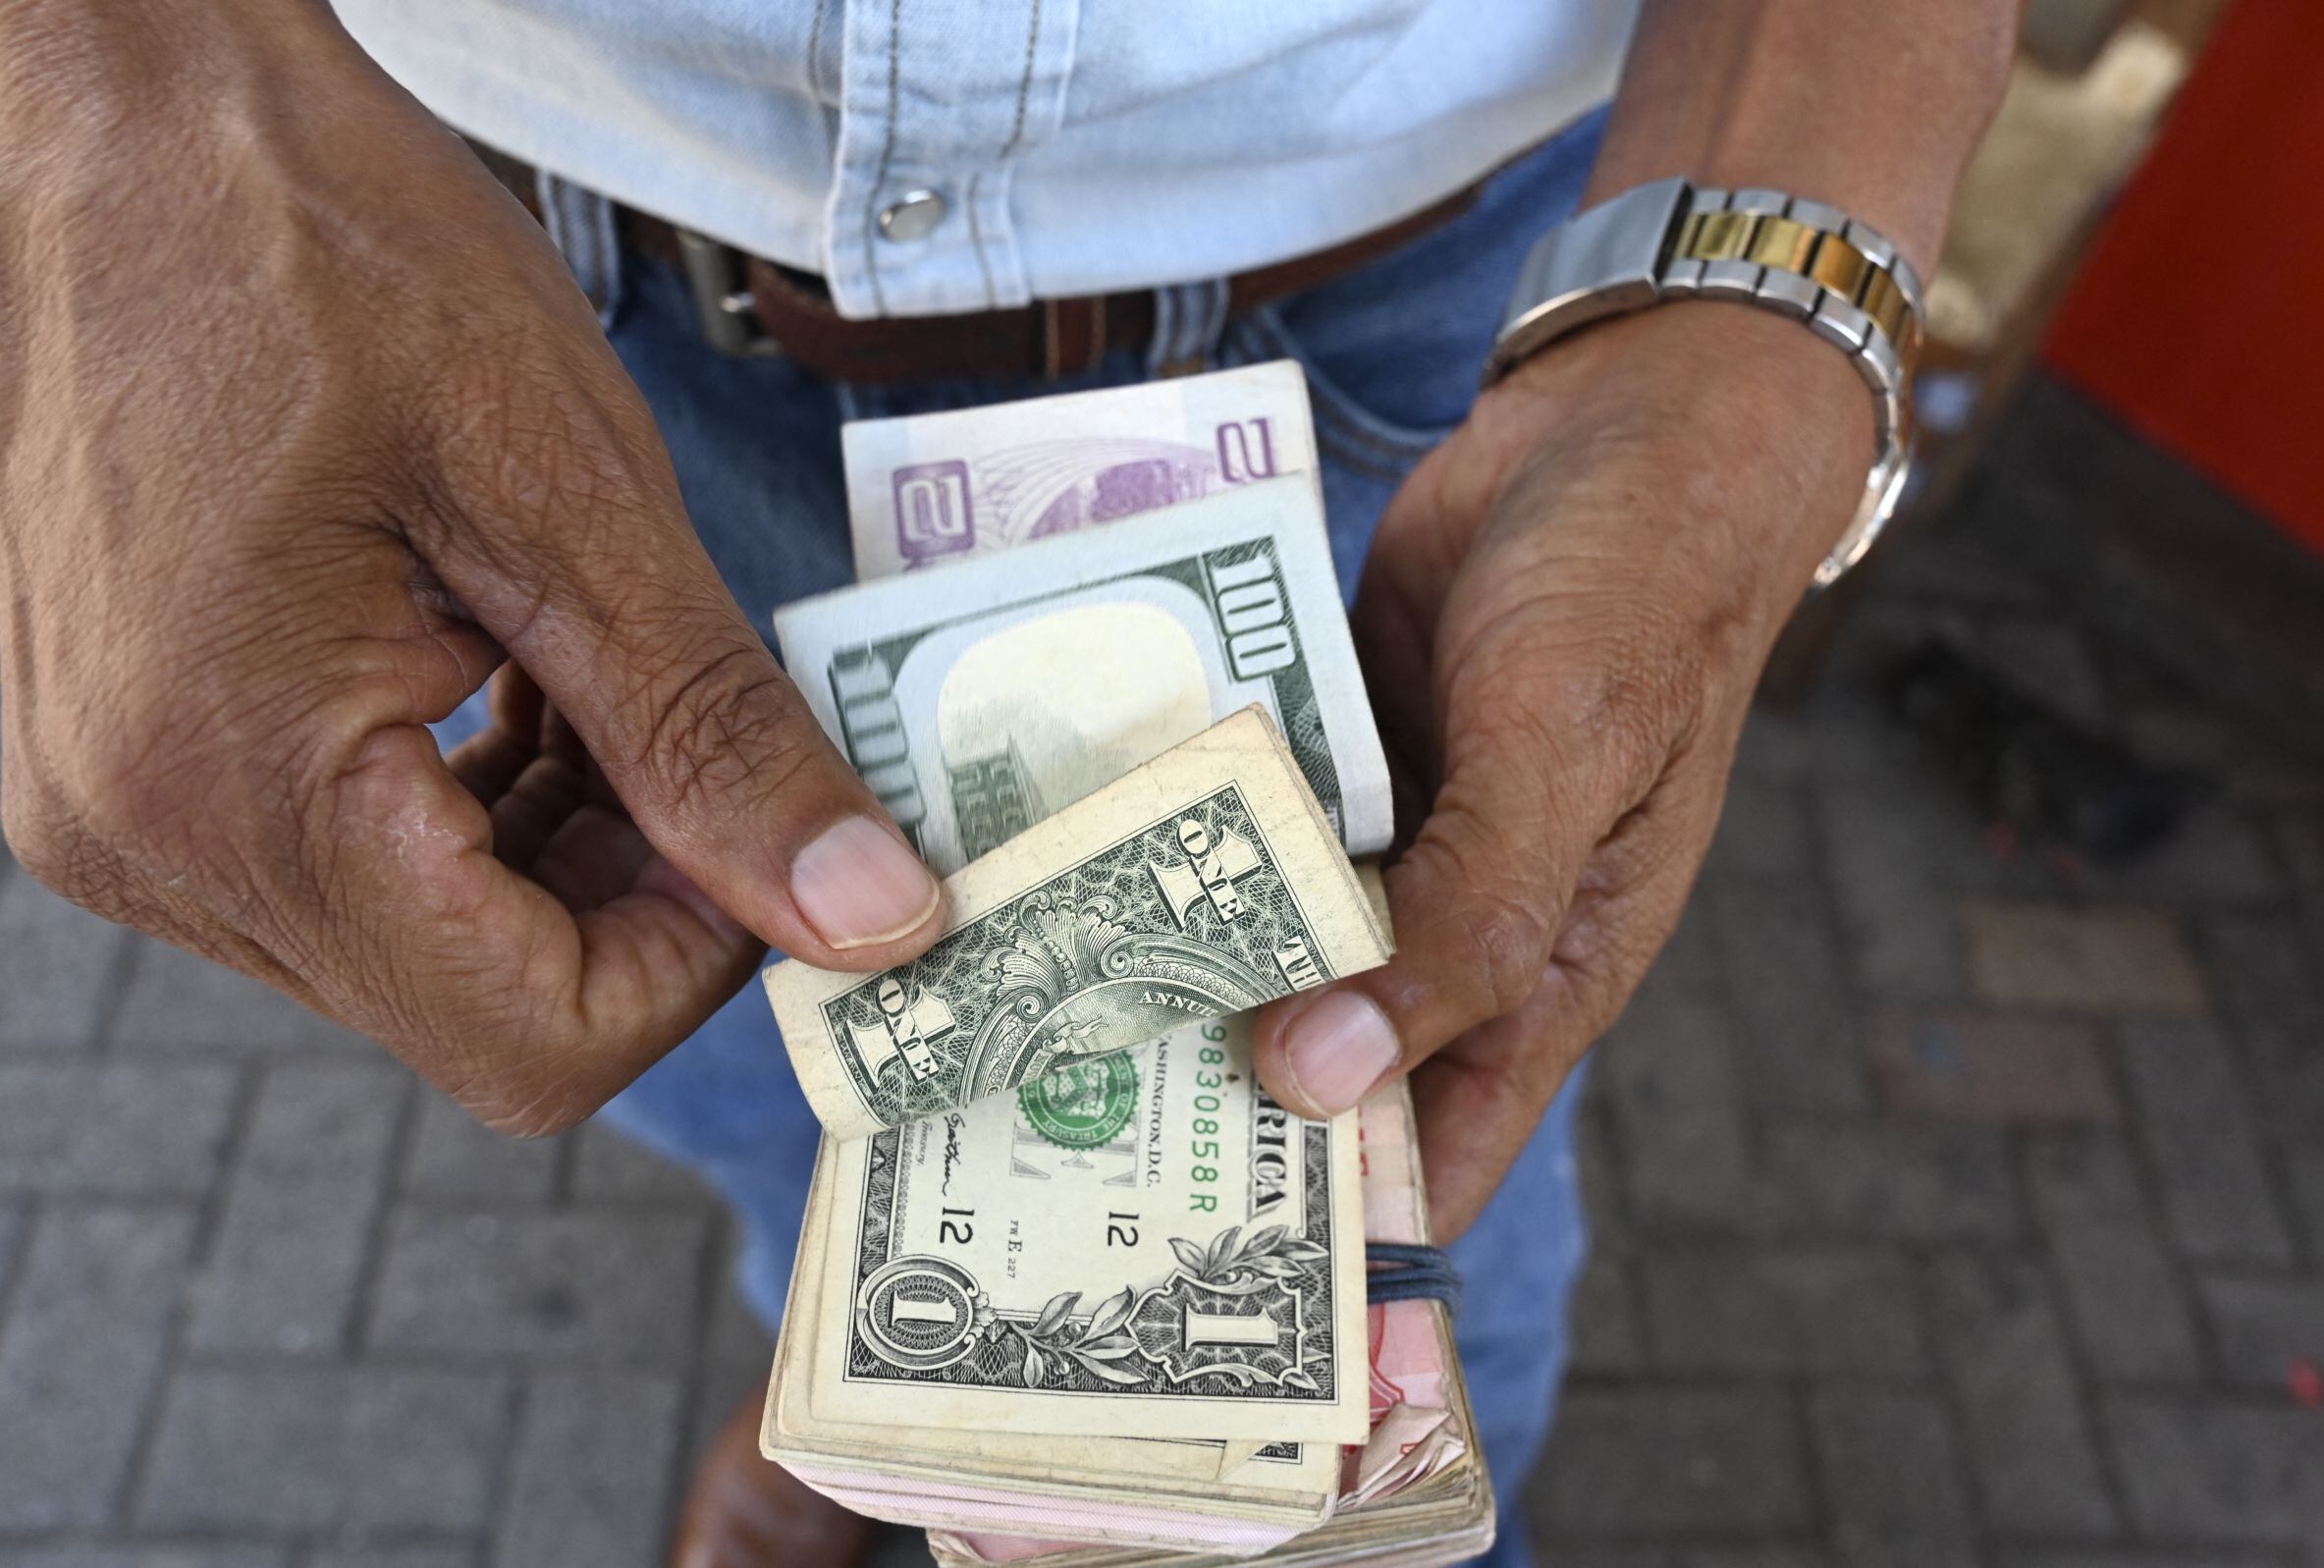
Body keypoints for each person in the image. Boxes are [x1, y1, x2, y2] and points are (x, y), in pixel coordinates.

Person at [0, 3, 2013, 1564]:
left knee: (1397, 1212)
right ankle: (863, 1378)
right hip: (477, 277)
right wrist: (110, 90)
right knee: (753, 1083)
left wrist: (1770, 280)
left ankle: (1012, 1413)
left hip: (1461, 305)